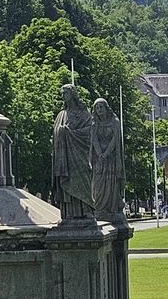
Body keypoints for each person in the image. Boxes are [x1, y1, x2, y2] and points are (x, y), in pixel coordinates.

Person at [52, 84, 94, 221]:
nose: (62, 96)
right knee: (68, 181)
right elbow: (56, 134)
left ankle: (86, 209)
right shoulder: (61, 115)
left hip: (80, 155)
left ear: (72, 94)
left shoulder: (84, 114)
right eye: (62, 93)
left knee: (83, 182)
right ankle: (69, 213)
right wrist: (62, 132)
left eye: (65, 93)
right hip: (65, 157)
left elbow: (90, 132)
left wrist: (70, 133)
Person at [90, 98, 125, 222]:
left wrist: (106, 153)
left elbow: (116, 140)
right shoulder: (94, 123)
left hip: (111, 160)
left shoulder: (114, 121)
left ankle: (111, 208)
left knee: (111, 184)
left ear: (106, 108)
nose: (99, 110)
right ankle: (99, 209)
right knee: (98, 185)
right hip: (99, 160)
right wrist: (100, 153)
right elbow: (93, 139)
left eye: (101, 107)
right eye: (97, 108)